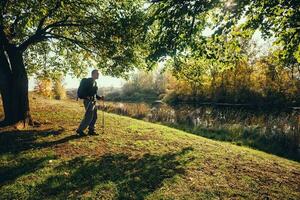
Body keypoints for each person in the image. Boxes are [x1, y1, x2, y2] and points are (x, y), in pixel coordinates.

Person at [76, 69, 104, 136]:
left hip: (93, 101)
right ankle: (80, 130)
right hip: (88, 101)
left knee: (94, 116)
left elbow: (94, 94)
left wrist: (100, 97)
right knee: (88, 116)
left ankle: (91, 130)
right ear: (93, 74)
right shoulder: (88, 81)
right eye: (97, 74)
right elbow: (83, 91)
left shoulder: (95, 82)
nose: (98, 75)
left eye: (98, 74)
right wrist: (86, 97)